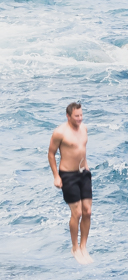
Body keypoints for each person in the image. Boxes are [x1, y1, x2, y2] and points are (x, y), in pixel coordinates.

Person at [47, 102, 92, 263]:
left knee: (87, 212)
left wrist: (86, 168)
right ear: (68, 116)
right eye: (76, 116)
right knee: (77, 213)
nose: (80, 118)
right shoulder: (60, 132)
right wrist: (56, 176)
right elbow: (51, 154)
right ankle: (75, 247)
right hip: (68, 175)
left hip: (83, 174)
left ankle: (83, 246)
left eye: (81, 115)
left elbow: (82, 150)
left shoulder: (84, 128)